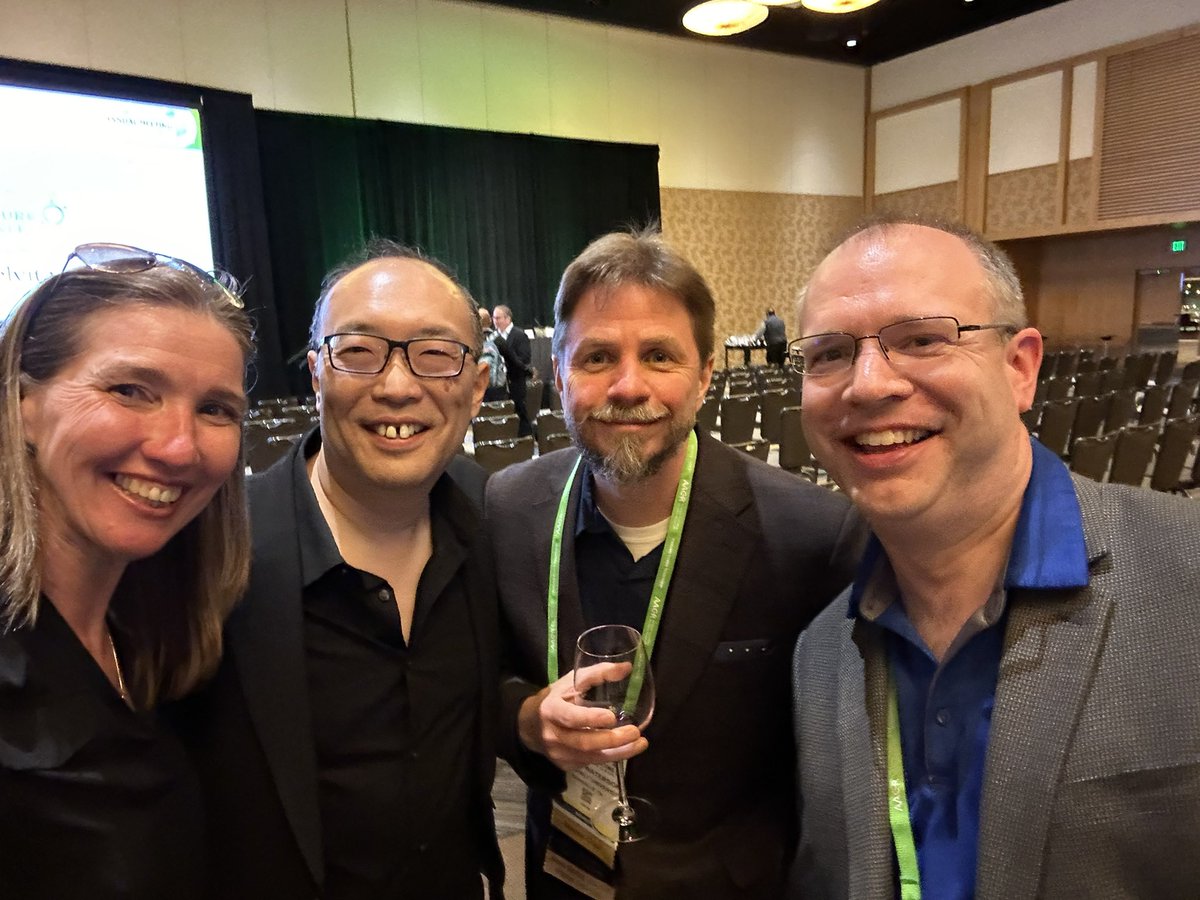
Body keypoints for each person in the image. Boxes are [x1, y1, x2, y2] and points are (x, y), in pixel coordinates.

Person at [789, 216, 1200, 899]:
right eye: (828, 353)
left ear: (1019, 368)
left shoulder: (1187, 577)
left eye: (921, 339)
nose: (866, 385)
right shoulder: (820, 654)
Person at [488, 228, 863, 899]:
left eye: (659, 356)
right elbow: (479, 677)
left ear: (705, 374)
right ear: (558, 373)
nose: (629, 386)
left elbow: (842, 765)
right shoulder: (509, 508)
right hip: (561, 880)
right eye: (598, 356)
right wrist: (523, 720)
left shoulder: (812, 533)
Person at [181, 240, 504, 898]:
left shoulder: (492, 519)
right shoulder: (210, 553)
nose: (397, 385)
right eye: (359, 351)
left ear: (476, 387)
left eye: (435, 355)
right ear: (316, 373)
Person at [0, 242, 253, 899]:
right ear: (23, 403)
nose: (179, 446)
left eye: (215, 409)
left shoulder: (155, 635)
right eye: (130, 390)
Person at [493, 303, 535, 436]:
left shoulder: (519, 335)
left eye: (498, 318)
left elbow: (524, 361)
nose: (495, 321)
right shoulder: (495, 336)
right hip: (501, 383)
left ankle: (526, 441)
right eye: (494, 318)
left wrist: (506, 349)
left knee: (520, 413)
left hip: (516, 381)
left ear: (507, 318)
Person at [479, 306, 509, 403]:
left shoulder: (474, 341)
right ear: (490, 321)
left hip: (481, 388)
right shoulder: (499, 338)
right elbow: (511, 361)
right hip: (499, 387)